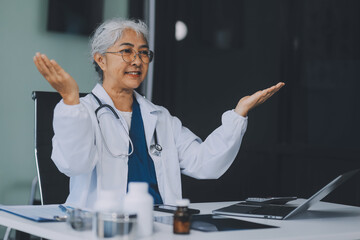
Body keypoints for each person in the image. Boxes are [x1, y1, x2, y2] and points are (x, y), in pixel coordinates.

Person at [33, 18, 284, 209]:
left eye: (144, 53)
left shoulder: (160, 118)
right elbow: (74, 164)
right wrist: (70, 100)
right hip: (104, 227)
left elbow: (205, 164)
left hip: (160, 227)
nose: (137, 60)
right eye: (127, 51)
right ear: (101, 60)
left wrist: (238, 114)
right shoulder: (81, 111)